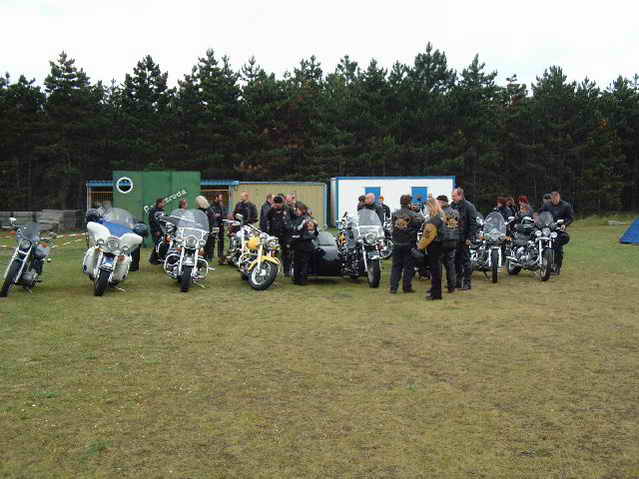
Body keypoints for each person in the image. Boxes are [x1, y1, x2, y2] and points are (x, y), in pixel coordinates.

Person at [389, 194, 422, 294]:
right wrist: (417, 211)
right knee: (408, 266)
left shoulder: (394, 214)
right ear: (409, 203)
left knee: (396, 266)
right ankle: (407, 287)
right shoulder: (412, 214)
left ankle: (393, 287)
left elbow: (393, 227)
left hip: (397, 242)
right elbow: (421, 221)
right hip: (409, 243)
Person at [539, 190, 574, 274]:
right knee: (542, 244)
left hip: (559, 229)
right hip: (547, 228)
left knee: (558, 248)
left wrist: (565, 224)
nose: (554, 201)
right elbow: (540, 212)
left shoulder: (566, 206)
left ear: (559, 197)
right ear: (551, 198)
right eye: (553, 199)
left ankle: (557, 267)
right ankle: (542, 263)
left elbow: (570, 218)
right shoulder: (547, 205)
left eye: (556, 199)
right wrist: (538, 220)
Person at [418, 196, 446, 300]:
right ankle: (436, 292)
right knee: (437, 270)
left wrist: (419, 246)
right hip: (440, 245)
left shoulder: (433, 220)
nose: (427, 209)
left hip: (434, 246)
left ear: (431, 207)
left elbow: (427, 236)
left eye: (427, 207)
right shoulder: (441, 216)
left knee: (435, 270)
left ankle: (436, 294)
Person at [451, 187, 479, 290]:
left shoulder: (469, 206)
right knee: (455, 261)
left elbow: (473, 224)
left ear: (460, 195)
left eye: (454, 196)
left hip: (464, 238)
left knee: (466, 261)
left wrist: (469, 237)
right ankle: (457, 282)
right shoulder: (452, 205)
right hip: (454, 238)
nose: (452, 198)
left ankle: (467, 283)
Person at [289, 202, 318, 285]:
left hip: (305, 244)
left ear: (302, 210)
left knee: (303, 263)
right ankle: (297, 279)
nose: (295, 211)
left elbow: (300, 229)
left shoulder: (306, 219)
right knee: (297, 262)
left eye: (297, 209)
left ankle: (302, 280)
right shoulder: (299, 218)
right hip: (298, 244)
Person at [437, 195, 461, 293]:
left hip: (442, 241)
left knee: (438, 264)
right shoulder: (456, 212)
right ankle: (452, 287)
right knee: (450, 264)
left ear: (441, 202)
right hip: (453, 240)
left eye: (437, 202)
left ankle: (437, 287)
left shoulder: (439, 213)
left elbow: (437, 226)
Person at [266, 195, 293, 276]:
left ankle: (286, 271)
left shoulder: (288, 209)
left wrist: (291, 228)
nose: (277, 205)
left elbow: (294, 218)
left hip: (286, 235)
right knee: (273, 252)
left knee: (286, 253)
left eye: (279, 204)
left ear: (282, 203)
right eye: (276, 203)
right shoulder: (271, 211)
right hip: (274, 235)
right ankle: (272, 270)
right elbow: (267, 218)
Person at [195, 195, 216, 261]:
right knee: (202, 243)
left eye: (197, 203)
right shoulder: (199, 210)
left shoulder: (209, 210)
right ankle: (202, 255)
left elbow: (212, 219)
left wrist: (209, 228)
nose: (196, 204)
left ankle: (209, 256)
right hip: (201, 229)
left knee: (209, 243)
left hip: (208, 229)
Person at [148, 197, 166, 265]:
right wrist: (156, 230)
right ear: (159, 203)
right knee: (157, 244)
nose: (164, 204)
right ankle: (153, 259)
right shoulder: (153, 210)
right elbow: (151, 222)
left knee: (161, 244)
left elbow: (165, 220)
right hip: (156, 231)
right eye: (163, 202)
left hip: (163, 231)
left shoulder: (163, 211)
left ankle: (157, 259)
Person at [210, 194, 226, 264]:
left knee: (221, 240)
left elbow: (224, 213)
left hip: (221, 224)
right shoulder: (211, 205)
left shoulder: (222, 205)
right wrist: (215, 215)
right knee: (212, 240)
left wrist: (221, 215)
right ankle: (211, 254)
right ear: (216, 197)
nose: (221, 198)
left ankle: (220, 254)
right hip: (214, 225)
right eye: (220, 197)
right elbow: (211, 214)